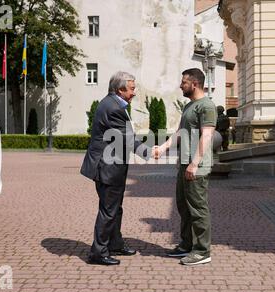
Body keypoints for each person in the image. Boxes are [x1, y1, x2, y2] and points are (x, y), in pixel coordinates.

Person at [80, 71, 151, 266]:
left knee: (114, 209)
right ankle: (98, 252)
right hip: (108, 168)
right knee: (108, 210)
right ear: (120, 89)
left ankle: (115, 244)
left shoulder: (113, 103)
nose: (134, 92)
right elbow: (126, 139)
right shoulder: (114, 108)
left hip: (110, 167)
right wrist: (150, 152)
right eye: (132, 88)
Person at [153, 68, 217, 266]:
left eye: (184, 82)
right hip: (184, 165)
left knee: (198, 209)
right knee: (184, 207)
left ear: (194, 84)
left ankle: (202, 251)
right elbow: (181, 132)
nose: (181, 85)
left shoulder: (206, 106)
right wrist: (163, 147)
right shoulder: (190, 106)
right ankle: (186, 245)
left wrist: (194, 163)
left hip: (196, 166)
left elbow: (207, 135)